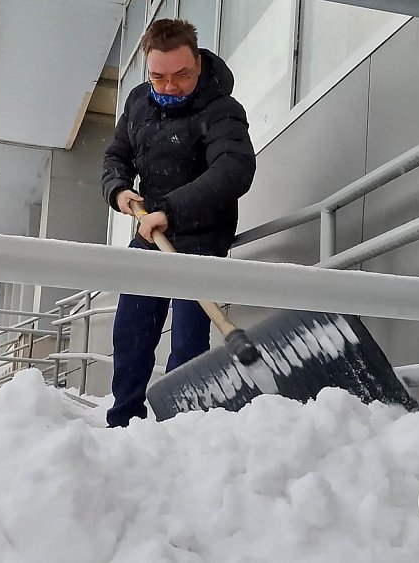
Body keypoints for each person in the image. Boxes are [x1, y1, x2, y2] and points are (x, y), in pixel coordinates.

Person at [101, 18, 256, 427]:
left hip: (201, 239)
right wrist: (118, 189)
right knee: (131, 332)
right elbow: (116, 155)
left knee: (188, 344)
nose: (169, 86)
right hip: (150, 234)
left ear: (199, 65)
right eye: (159, 76)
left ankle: (179, 428)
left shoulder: (222, 110)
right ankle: (123, 421)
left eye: (181, 75)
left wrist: (170, 209)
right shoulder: (138, 101)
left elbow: (233, 170)